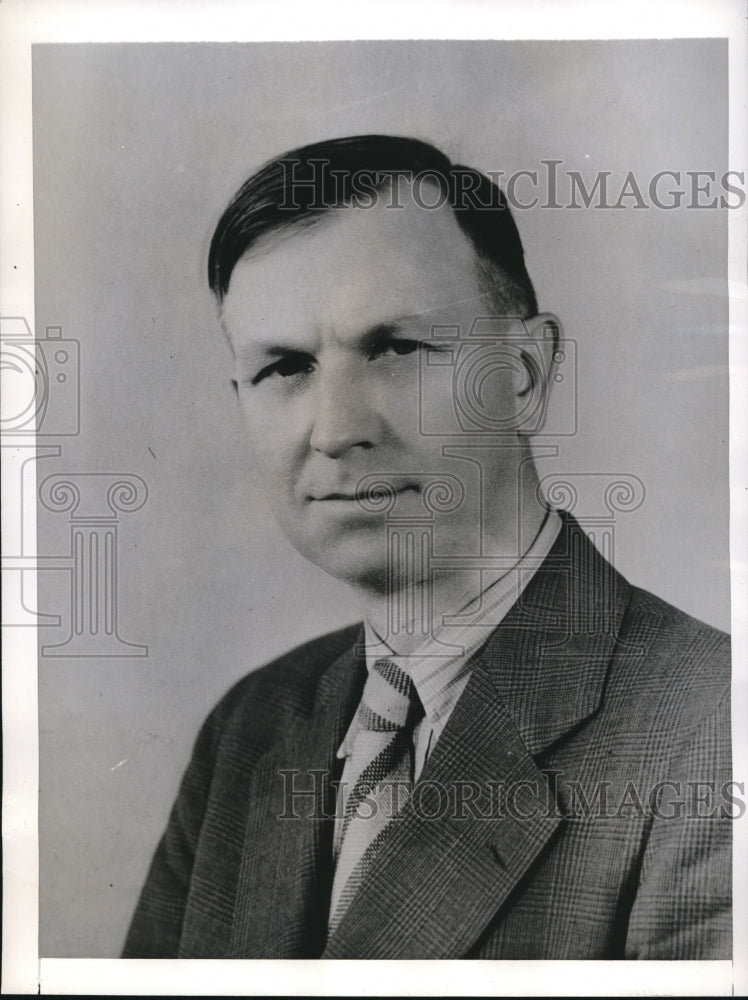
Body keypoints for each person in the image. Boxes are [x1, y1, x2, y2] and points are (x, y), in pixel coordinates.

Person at [123, 135, 732, 960]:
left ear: (523, 373)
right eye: (285, 368)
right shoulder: (252, 727)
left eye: (397, 349)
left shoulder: (712, 726)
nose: (337, 431)